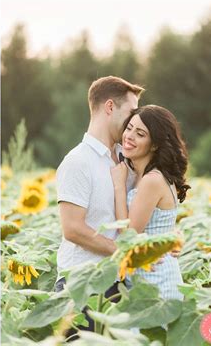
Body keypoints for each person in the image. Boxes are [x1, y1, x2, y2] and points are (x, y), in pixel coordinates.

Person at [55, 76, 144, 334]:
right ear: (109, 107)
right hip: (81, 286)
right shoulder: (78, 161)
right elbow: (72, 228)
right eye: (130, 113)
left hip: (115, 284)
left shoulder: (122, 160)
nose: (133, 122)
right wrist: (121, 252)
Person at [111, 105, 190, 300]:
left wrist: (119, 187)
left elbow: (129, 236)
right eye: (129, 128)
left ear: (154, 144)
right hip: (145, 280)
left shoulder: (152, 180)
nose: (129, 136)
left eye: (140, 134)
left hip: (158, 283)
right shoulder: (143, 176)